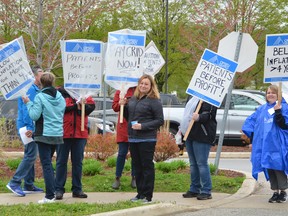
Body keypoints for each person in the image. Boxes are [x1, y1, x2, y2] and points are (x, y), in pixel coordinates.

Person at [22, 72, 65, 204]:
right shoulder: (60, 96)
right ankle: (53, 191)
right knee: (50, 165)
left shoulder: (40, 96)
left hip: (43, 134)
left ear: (41, 82)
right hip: (57, 134)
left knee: (46, 165)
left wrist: (28, 103)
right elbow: (62, 111)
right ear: (53, 82)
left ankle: (50, 196)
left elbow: (35, 115)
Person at [121, 74, 164, 203]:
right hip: (133, 138)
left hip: (147, 139)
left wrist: (143, 126)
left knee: (147, 167)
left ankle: (148, 195)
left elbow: (160, 120)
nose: (143, 86)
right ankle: (139, 194)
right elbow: (128, 117)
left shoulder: (154, 101)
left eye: (146, 84)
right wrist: (123, 106)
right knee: (137, 167)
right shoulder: (133, 99)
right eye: (141, 83)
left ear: (151, 86)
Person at [242, 85, 288, 203]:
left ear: (278, 94)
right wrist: (253, 141)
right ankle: (275, 191)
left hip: (278, 144)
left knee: (278, 166)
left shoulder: (284, 107)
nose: (270, 95)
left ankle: (282, 191)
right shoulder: (261, 109)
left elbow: (284, 125)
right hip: (264, 144)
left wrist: (278, 112)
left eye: (273, 92)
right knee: (269, 167)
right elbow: (253, 124)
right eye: (268, 93)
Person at [6, 65, 44, 197]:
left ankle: (28, 184)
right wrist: (30, 128)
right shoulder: (30, 89)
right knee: (31, 155)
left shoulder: (32, 89)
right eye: (40, 73)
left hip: (26, 126)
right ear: (34, 76)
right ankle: (14, 182)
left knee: (30, 153)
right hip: (27, 127)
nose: (43, 75)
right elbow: (28, 109)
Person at [55, 87, 96, 199]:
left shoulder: (84, 92)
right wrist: (75, 106)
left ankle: (77, 189)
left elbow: (91, 107)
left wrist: (83, 105)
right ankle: (58, 189)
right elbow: (59, 108)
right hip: (64, 132)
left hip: (80, 133)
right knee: (61, 162)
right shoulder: (60, 92)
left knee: (78, 162)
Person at [180, 96, 217, 200]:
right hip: (189, 133)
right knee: (193, 164)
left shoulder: (209, 98)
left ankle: (206, 190)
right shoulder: (191, 97)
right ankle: (194, 188)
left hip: (202, 135)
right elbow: (186, 115)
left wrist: (199, 117)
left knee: (201, 163)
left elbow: (209, 115)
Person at [111, 87, 136, 189]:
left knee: (135, 153)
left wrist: (129, 103)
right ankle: (117, 177)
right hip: (123, 127)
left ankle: (134, 177)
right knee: (122, 153)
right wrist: (120, 103)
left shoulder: (138, 89)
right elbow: (115, 107)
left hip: (135, 125)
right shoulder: (120, 90)